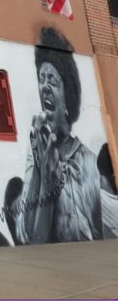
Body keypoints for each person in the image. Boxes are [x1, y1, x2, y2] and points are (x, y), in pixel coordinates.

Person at [10, 27, 102, 245]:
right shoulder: (38, 152)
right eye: (41, 79)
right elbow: (30, 236)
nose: (44, 87)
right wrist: (43, 177)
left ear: (67, 96)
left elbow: (93, 231)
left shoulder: (88, 161)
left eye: (52, 80)